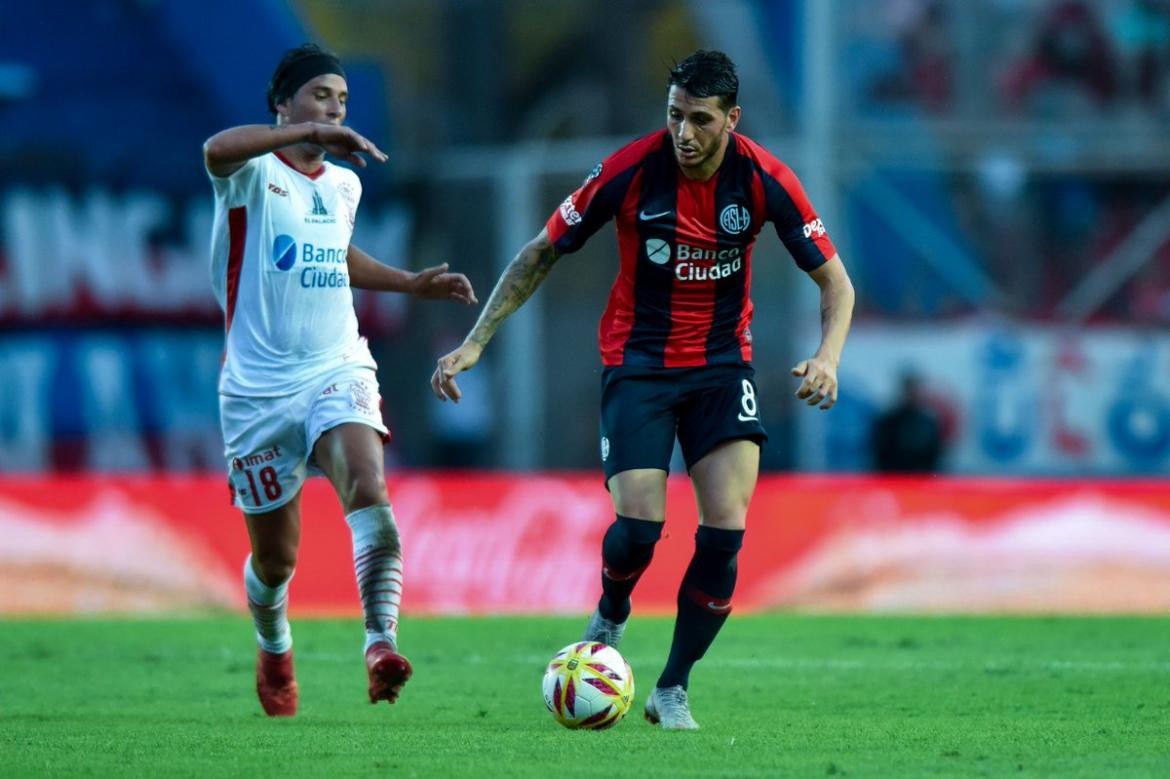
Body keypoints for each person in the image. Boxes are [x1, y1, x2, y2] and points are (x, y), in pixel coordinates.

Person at [431, 50, 854, 730]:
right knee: (639, 527)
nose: (684, 133)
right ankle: (611, 611)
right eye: (675, 115)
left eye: (701, 120)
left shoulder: (767, 180)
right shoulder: (630, 171)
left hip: (722, 367)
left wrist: (827, 357)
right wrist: (477, 340)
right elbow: (540, 250)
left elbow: (836, 280)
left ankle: (672, 687)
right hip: (639, 366)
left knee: (725, 529)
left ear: (731, 119)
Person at [204, 43, 476, 716]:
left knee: (368, 482)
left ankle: (380, 643)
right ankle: (275, 644)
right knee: (276, 560)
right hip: (257, 393)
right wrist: (308, 134)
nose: (334, 108)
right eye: (321, 95)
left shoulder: (345, 185)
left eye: (343, 100)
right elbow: (214, 147)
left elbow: (336, 252)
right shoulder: (251, 171)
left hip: (335, 365)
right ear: (284, 106)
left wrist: (410, 282)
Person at [871, 370, 945, 473]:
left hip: (922, 480)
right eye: (909, 389)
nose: (912, 394)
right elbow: (881, 455)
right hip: (894, 480)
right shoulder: (888, 422)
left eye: (915, 390)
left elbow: (935, 456)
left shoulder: (928, 422)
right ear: (902, 391)